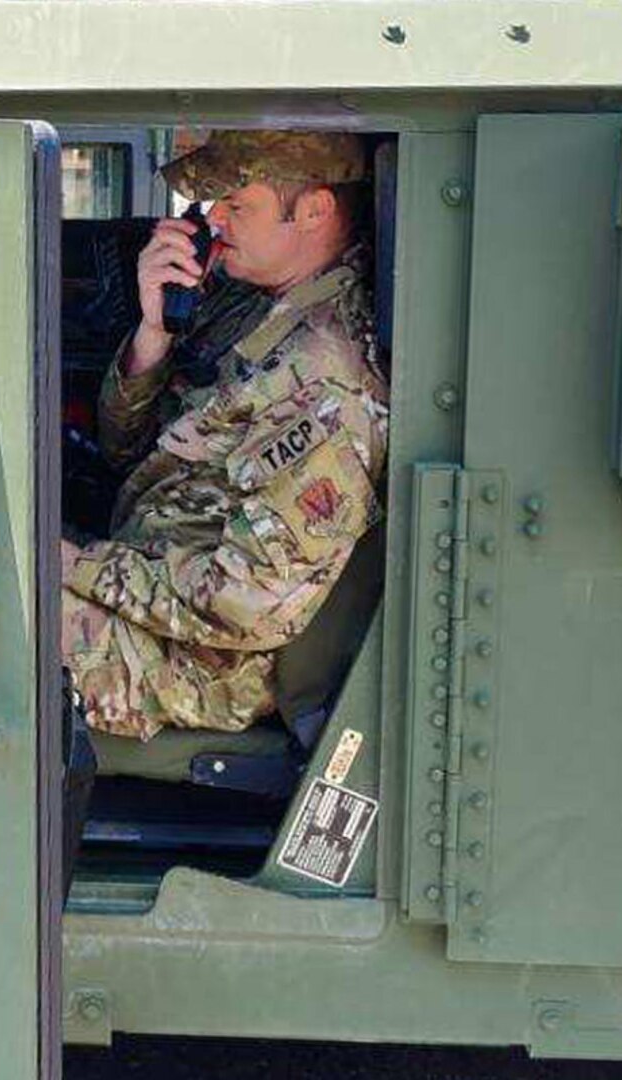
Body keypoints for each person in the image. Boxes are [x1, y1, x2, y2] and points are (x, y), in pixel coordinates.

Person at [61, 130, 389, 742]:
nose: (213, 217)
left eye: (238, 205)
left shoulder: (326, 379)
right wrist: (154, 334)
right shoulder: (250, 301)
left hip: (195, 663)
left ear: (314, 211)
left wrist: (77, 566)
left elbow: (245, 604)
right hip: (148, 580)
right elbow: (128, 450)